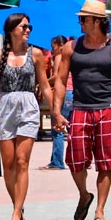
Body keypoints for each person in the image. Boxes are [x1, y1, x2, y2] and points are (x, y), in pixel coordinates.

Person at [53, 0, 111, 220]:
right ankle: (84, 194)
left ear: (98, 22)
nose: (80, 22)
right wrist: (57, 112)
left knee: (105, 163)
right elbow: (59, 80)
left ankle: (99, 210)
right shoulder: (71, 48)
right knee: (75, 160)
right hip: (79, 109)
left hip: (105, 110)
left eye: (84, 19)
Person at [0, 13, 53, 220]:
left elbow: (44, 85)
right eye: (23, 26)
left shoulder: (37, 54)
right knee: (8, 164)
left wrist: (56, 113)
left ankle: (16, 212)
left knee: (22, 161)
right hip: (5, 107)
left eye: (29, 26)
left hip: (28, 107)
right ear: (12, 29)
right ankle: (18, 203)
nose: (28, 30)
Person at [41, 35, 70, 170]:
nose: (52, 50)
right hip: (72, 92)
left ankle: (57, 161)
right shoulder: (70, 56)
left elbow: (58, 77)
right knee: (71, 127)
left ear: (59, 45)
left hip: (62, 92)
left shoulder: (60, 57)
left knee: (57, 127)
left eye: (53, 47)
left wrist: (43, 81)